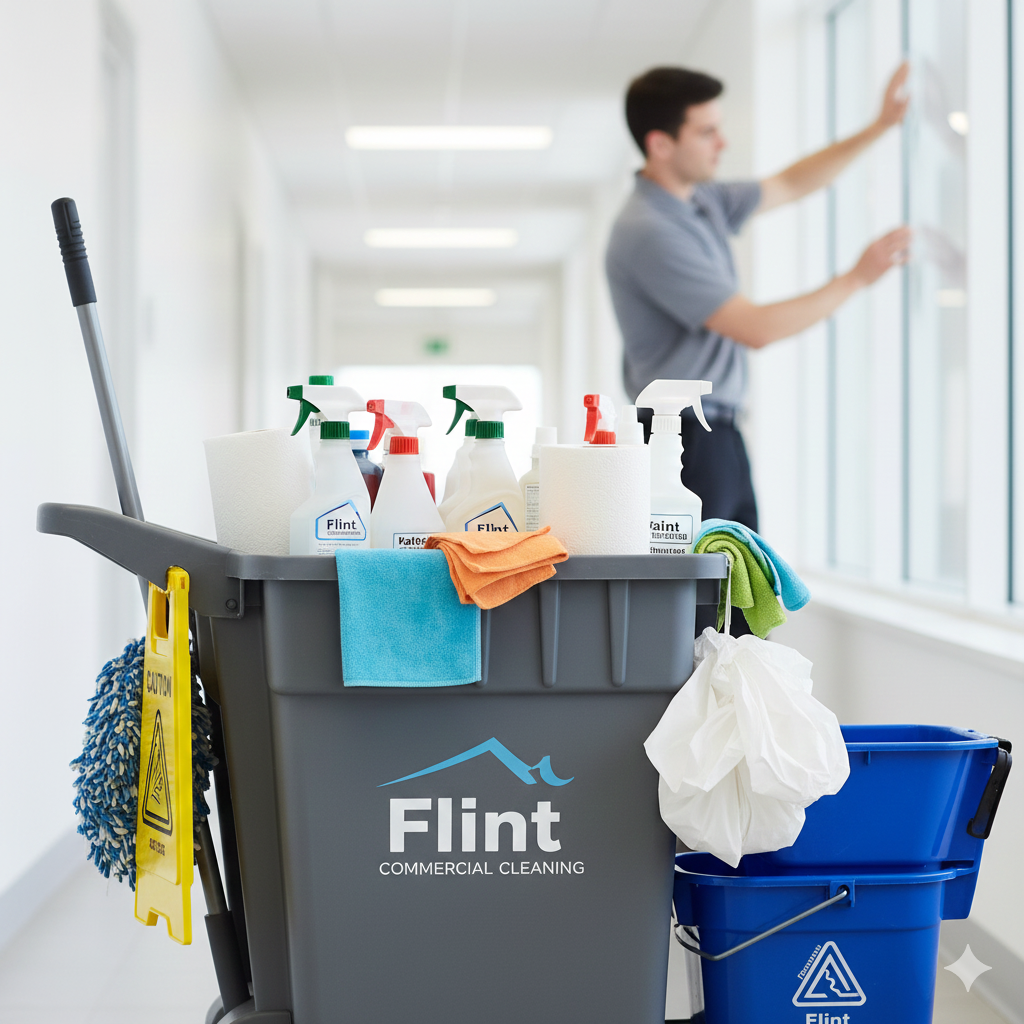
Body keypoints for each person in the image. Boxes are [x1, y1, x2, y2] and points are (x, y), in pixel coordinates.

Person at [606, 64, 911, 534]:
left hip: (715, 434)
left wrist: (879, 127)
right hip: (681, 442)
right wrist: (855, 278)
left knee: (741, 595)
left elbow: (791, 183)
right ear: (660, 144)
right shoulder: (649, 230)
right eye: (707, 132)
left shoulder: (700, 200)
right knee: (709, 602)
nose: (722, 143)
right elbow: (755, 328)